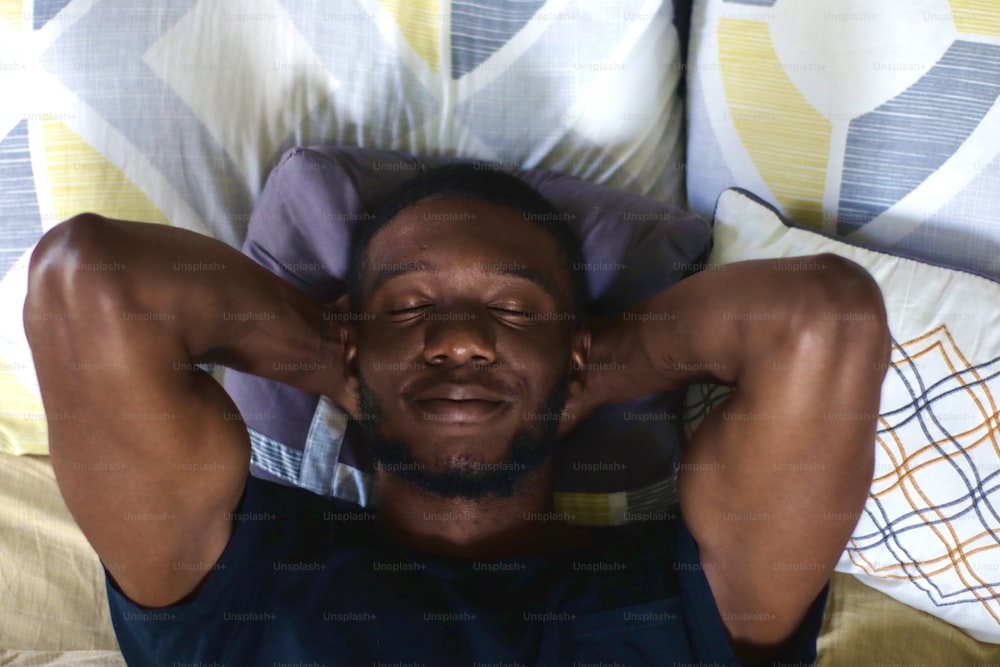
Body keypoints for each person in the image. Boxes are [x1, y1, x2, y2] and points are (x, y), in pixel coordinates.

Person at [23, 164, 890, 666]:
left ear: (575, 348)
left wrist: (590, 366)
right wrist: (338, 362)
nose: (462, 339)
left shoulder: (697, 600)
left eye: (512, 311)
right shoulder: (233, 575)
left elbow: (828, 321)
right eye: (408, 309)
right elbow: (87, 280)